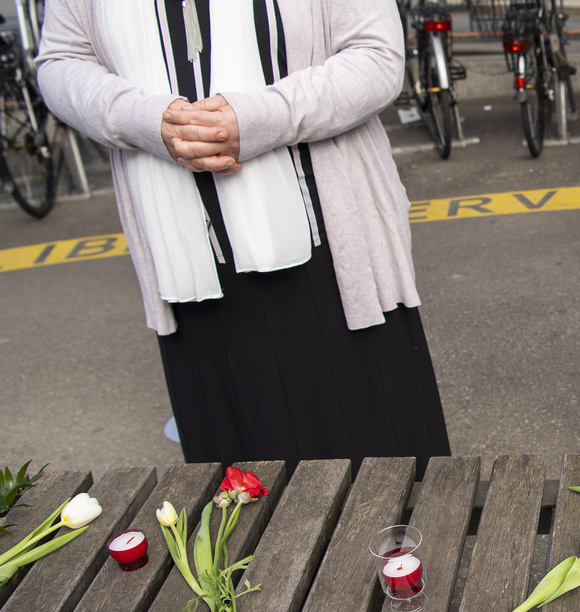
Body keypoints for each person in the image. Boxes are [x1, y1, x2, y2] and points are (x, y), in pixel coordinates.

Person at [36, 0, 451, 477]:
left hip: (333, 244)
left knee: (378, 461)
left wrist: (257, 117)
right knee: (241, 472)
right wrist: (144, 120)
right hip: (186, 254)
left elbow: (375, 57)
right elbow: (61, 63)